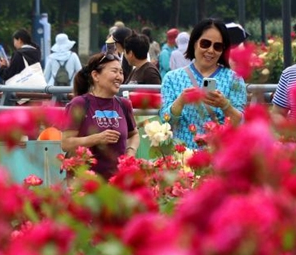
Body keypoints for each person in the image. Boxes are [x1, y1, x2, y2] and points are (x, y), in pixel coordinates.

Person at [159, 18, 247, 149]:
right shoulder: (172, 78)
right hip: (183, 159)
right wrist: (181, 101)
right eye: (205, 44)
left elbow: (240, 124)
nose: (211, 50)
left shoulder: (234, 79)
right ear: (194, 43)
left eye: (217, 46)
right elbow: (165, 122)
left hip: (220, 157)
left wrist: (225, 105)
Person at [61, 52, 140, 180]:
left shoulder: (124, 104)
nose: (119, 77)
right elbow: (66, 143)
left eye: (121, 72)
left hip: (117, 181)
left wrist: (130, 152)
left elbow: (134, 134)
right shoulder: (79, 104)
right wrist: (96, 138)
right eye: (114, 71)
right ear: (96, 75)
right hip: (85, 182)